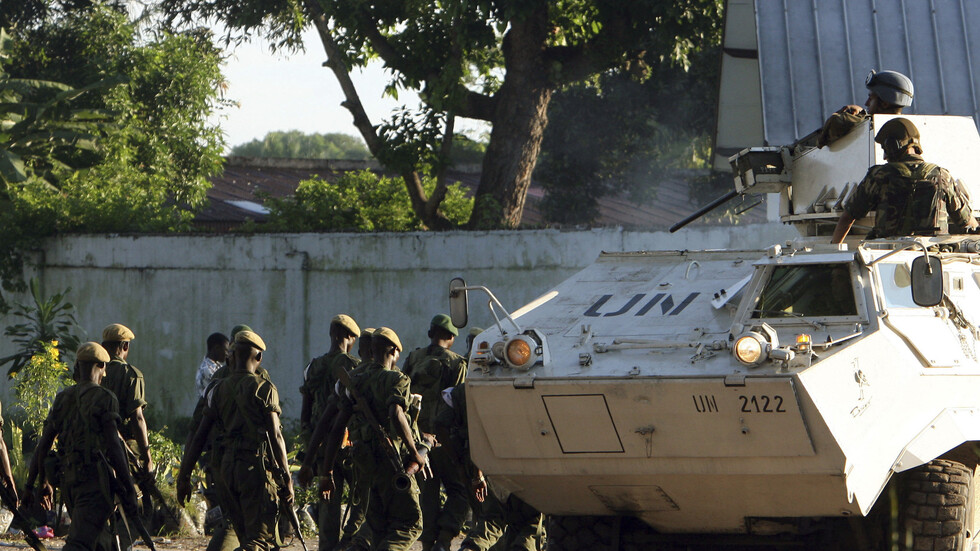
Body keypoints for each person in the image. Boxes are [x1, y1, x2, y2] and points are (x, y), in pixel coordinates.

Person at [177, 330, 293, 551]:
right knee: (259, 540)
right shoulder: (263, 388)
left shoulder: (217, 389)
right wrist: (287, 477)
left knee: (242, 532)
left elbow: (199, 434)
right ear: (258, 358)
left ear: (232, 356)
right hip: (253, 469)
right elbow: (276, 435)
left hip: (226, 471)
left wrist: (184, 475)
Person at [320, 327, 430, 551]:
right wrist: (415, 453)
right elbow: (396, 414)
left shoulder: (354, 380)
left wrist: (327, 471)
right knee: (408, 524)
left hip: (363, 464)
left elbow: (336, 428)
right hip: (392, 460)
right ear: (394, 351)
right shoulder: (396, 379)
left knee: (377, 526)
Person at [28, 342, 139, 551]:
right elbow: (114, 445)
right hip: (94, 485)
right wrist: (129, 486)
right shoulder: (105, 398)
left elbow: (43, 445)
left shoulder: (63, 398)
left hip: (69, 484)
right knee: (79, 544)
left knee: (100, 543)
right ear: (102, 367)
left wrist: (33, 484)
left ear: (77, 367)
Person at [433, 385, 544, 551]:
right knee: (531, 521)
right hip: (524, 460)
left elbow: (440, 425)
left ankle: (471, 548)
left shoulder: (460, 392)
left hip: (476, 462)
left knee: (490, 518)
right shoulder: (522, 384)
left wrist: (459, 462)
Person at [831, 117, 978, 243]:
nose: (884, 157)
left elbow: (848, 217)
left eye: (885, 149)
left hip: (885, 257)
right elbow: (968, 222)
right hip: (933, 258)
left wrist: (833, 252)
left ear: (893, 146)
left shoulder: (879, 176)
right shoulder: (942, 176)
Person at [402, 314, 469, 551]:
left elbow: (403, 399)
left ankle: (429, 543)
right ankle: (445, 538)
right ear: (451, 338)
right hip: (445, 441)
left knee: (427, 495)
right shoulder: (457, 363)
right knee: (461, 490)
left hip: (418, 441)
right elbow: (458, 406)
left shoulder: (413, 358)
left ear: (430, 333)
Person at [299, 314, 360, 551]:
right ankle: (350, 543)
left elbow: (305, 411)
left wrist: (308, 446)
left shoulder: (312, 367)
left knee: (327, 504)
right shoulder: (354, 367)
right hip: (348, 445)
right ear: (348, 337)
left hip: (320, 446)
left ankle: (328, 547)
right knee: (361, 501)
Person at [100, 323, 153, 475]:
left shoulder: (95, 372)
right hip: (123, 448)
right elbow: (137, 418)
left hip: (96, 447)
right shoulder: (131, 374)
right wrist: (147, 457)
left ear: (104, 346)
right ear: (125, 346)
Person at [819, 70, 914, 147]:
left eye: (871, 98)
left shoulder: (871, 128)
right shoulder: (911, 128)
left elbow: (830, 129)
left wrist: (860, 115)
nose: (866, 103)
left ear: (884, 104)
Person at [197, 333, 230, 398]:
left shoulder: (216, 365)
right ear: (216, 348)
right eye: (226, 350)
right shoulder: (206, 369)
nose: (227, 354)